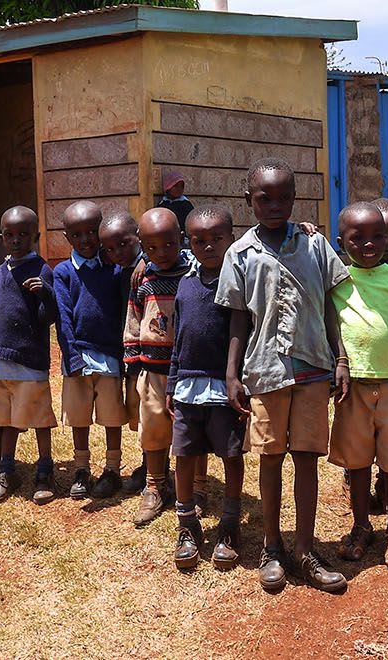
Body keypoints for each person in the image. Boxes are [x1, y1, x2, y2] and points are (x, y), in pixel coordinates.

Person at [219, 157, 349, 593]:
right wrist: (232, 373)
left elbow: (332, 307)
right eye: (264, 198)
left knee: (307, 460)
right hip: (265, 371)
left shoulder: (315, 245)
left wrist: (342, 359)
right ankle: (272, 548)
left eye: (284, 197)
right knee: (271, 458)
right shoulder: (239, 254)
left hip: (313, 367)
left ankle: (306, 550)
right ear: (248, 201)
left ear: (296, 198)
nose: (275, 205)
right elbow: (238, 320)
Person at [326, 202, 388, 570]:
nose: (369, 244)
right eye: (358, 238)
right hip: (354, 388)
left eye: (377, 236)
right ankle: (362, 526)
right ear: (341, 242)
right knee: (360, 462)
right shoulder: (337, 279)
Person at [168, 205, 246, 570]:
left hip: (224, 388)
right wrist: (171, 380)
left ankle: (230, 524)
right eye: (199, 240)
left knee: (231, 455)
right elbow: (178, 337)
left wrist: (239, 380)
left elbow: (242, 334)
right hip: (187, 387)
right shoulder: (186, 281)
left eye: (217, 239)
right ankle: (187, 524)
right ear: (189, 242)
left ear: (231, 238)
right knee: (184, 455)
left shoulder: (237, 281)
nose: (208, 246)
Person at [54, 201, 128, 500]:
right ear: (66, 236)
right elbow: (63, 316)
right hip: (78, 355)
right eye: (77, 234)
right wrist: (70, 356)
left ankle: (112, 469)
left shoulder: (113, 268)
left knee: (111, 416)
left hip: (109, 354)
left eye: (91, 232)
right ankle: (82, 469)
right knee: (79, 416)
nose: (85, 239)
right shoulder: (63, 272)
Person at [0, 207, 59, 503]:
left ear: (36, 237)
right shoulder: (1, 270)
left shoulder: (42, 270)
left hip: (29, 359)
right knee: (4, 419)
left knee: (40, 418)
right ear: (2, 237)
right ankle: (7, 470)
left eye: (23, 235)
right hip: (0, 358)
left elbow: (48, 317)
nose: (16, 240)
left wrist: (45, 293)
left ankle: (44, 469)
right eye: (9, 235)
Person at [125, 207, 193, 526]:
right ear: (142, 245)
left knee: (189, 430)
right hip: (153, 369)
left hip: (190, 369)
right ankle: (154, 485)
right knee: (153, 429)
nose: (161, 253)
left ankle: (192, 487)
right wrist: (133, 359)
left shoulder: (194, 272)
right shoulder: (143, 278)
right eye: (151, 248)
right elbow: (135, 318)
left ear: (181, 239)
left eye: (168, 244)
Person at [98, 210, 148, 491]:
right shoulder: (117, 272)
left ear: (138, 237)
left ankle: (154, 466)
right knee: (136, 412)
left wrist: (148, 261)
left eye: (123, 244)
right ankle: (146, 463)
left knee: (150, 414)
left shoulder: (150, 266)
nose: (117, 252)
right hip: (128, 354)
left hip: (153, 354)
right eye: (110, 248)